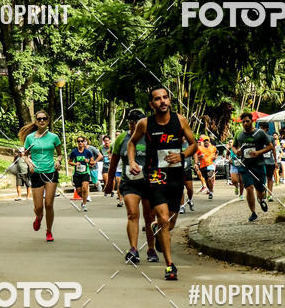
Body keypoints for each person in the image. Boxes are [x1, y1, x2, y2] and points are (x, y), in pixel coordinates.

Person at [128, 85, 197, 281]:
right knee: (164, 218)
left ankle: (159, 232)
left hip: (176, 177)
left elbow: (194, 144)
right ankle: (169, 265)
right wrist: (133, 162)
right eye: (158, 99)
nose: (163, 101)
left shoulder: (180, 120)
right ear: (152, 104)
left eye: (165, 97)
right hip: (155, 176)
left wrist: (182, 155)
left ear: (169, 100)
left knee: (171, 221)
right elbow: (132, 142)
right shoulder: (144, 123)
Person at [105, 109, 158, 264]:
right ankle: (133, 249)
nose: (135, 125)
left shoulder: (150, 137)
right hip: (130, 183)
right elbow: (114, 163)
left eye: (140, 122)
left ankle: (151, 248)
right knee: (132, 214)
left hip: (149, 182)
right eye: (133, 122)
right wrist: (109, 183)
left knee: (149, 217)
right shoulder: (122, 138)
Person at [23, 110, 62, 242]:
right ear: (36, 121)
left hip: (51, 172)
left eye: (44, 118)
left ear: (48, 121)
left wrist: (58, 161)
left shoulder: (54, 137)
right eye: (39, 119)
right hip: (36, 173)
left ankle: (49, 231)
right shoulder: (30, 138)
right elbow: (25, 155)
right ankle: (39, 218)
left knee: (49, 204)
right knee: (38, 207)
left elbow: (60, 154)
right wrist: (29, 163)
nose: (42, 121)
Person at [232, 111, 272, 222]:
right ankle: (253, 212)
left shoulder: (260, 133)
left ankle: (261, 199)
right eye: (243, 122)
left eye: (247, 121)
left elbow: (270, 146)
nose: (245, 123)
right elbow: (233, 147)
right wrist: (237, 152)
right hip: (245, 166)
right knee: (249, 188)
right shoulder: (239, 134)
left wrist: (259, 152)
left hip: (258, 165)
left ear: (252, 121)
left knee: (260, 190)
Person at [69, 136, 94, 211]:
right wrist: (75, 164)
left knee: (85, 187)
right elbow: (69, 162)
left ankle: (84, 204)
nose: (80, 142)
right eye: (78, 141)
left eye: (81, 141)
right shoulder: (74, 152)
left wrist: (88, 161)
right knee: (79, 191)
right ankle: (84, 199)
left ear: (84, 142)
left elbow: (92, 162)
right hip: (77, 174)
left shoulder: (87, 152)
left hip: (85, 172)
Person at [262, 123, 276, 200]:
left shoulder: (271, 138)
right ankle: (263, 193)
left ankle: (270, 194)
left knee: (270, 178)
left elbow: (273, 150)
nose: (262, 130)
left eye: (263, 128)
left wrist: (276, 161)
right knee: (262, 178)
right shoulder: (258, 139)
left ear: (267, 129)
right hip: (261, 162)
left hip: (270, 162)